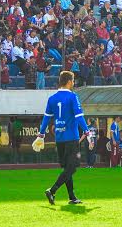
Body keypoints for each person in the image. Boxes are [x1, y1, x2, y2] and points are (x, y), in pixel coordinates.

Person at [38, 70, 90, 205]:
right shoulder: (73, 97)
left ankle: (72, 197)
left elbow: (46, 118)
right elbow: (79, 116)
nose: (73, 83)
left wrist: (41, 134)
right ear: (68, 82)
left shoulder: (52, 98)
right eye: (73, 81)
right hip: (72, 138)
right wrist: (87, 131)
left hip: (59, 139)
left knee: (67, 168)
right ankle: (52, 190)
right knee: (72, 168)